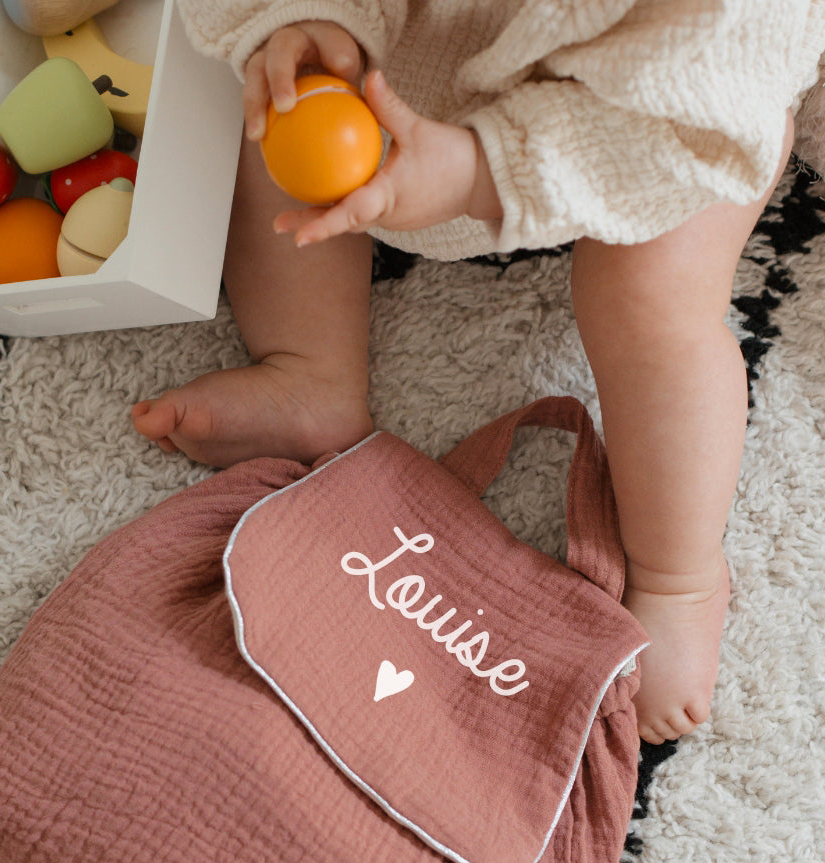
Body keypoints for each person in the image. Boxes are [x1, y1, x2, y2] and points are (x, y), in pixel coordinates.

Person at [124, 2, 825, 746]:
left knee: (652, 305)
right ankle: (308, 369)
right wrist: (310, 22)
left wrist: (482, 172)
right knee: (270, 115)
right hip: (415, 57)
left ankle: (677, 576)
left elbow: (704, 100)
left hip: (656, 119)